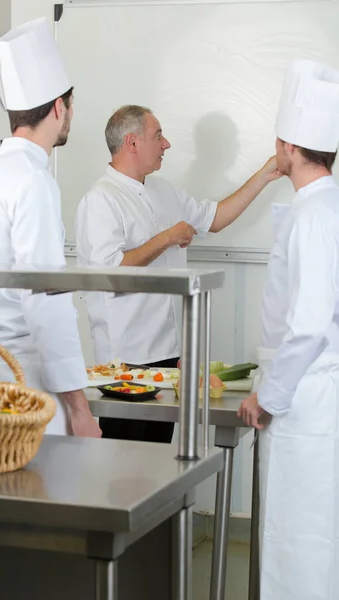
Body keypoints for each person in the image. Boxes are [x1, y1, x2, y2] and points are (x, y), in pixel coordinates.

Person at [75, 104, 280, 443]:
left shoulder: (161, 190)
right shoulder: (100, 200)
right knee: (121, 468)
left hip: (167, 355)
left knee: (155, 461)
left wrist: (266, 173)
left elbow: (214, 218)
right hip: (125, 361)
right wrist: (167, 238)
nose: (166, 144)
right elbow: (108, 272)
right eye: (158, 136)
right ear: (132, 143)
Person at [0, 18, 101, 438]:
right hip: (31, 387)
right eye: (71, 106)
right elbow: (46, 301)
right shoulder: (34, 182)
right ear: (60, 106)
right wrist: (79, 409)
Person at [238, 59, 339, 599]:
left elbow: (308, 327)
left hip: (303, 397)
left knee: (300, 543)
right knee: (307, 539)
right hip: (311, 393)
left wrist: (267, 397)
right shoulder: (322, 207)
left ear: (287, 148)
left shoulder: (313, 215)